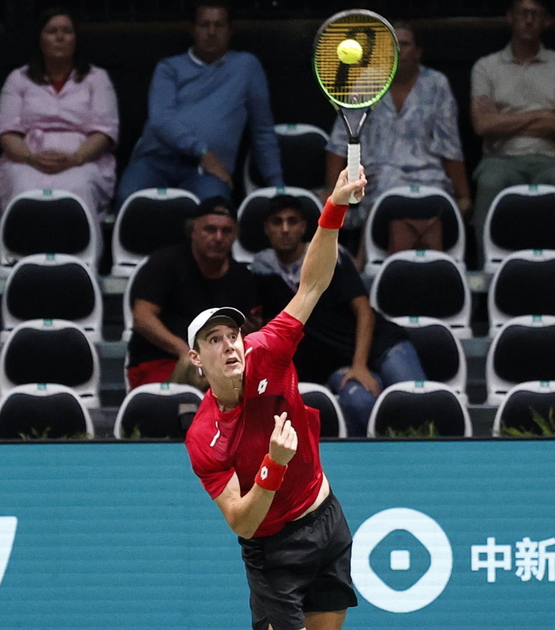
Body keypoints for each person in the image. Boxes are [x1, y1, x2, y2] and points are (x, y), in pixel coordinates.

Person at [177, 167, 374, 630]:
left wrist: (332, 209)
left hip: (327, 521)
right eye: (215, 341)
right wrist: (274, 467)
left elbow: (314, 284)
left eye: (233, 332)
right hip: (273, 550)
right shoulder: (207, 437)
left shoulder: (269, 350)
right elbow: (241, 520)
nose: (231, 345)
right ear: (197, 362)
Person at [252, 193, 425, 437]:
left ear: (303, 226)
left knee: (415, 402)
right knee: (361, 404)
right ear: (266, 228)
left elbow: (364, 311)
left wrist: (360, 365)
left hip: (380, 345)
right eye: (277, 222)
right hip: (337, 363)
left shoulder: (328, 255)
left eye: (292, 221)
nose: (285, 229)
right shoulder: (260, 270)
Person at [115, 3, 282, 207]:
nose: (212, 32)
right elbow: (161, 120)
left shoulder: (246, 67)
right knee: (128, 198)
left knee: (215, 207)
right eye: (205, 25)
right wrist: (203, 152)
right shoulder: (169, 67)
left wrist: (277, 186)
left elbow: (262, 130)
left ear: (230, 30)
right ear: (193, 29)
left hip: (207, 173)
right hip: (157, 162)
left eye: (219, 25)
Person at [325, 22, 472, 220]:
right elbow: (340, 141)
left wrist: (463, 195)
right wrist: (333, 191)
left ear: (418, 52)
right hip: (377, 180)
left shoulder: (436, 84)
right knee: (386, 197)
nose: (398, 50)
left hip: (429, 178)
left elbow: (450, 145)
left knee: (439, 206)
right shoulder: (365, 83)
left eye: (404, 44)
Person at [470, 0, 555, 258]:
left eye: (536, 14)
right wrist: (541, 114)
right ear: (510, 18)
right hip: (500, 159)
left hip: (553, 159)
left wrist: (506, 121)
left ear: (547, 21)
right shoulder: (486, 67)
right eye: (523, 13)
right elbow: (482, 125)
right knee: (489, 183)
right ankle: (487, 268)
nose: (529, 20)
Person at [0, 8, 119, 222]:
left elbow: (104, 132)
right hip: (26, 158)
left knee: (78, 187)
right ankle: (20, 254)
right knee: (24, 188)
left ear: (76, 39)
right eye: (52, 31)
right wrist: (30, 158)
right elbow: (6, 132)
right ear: (40, 40)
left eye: (67, 31)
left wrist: (75, 158)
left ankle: (80, 254)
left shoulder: (97, 78)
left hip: (83, 159)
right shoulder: (18, 78)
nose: (60, 37)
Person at [126, 195, 258, 390]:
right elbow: (142, 318)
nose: (219, 237)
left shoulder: (242, 277)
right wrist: (185, 352)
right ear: (193, 231)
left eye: (226, 231)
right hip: (162, 360)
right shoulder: (165, 263)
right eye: (210, 230)